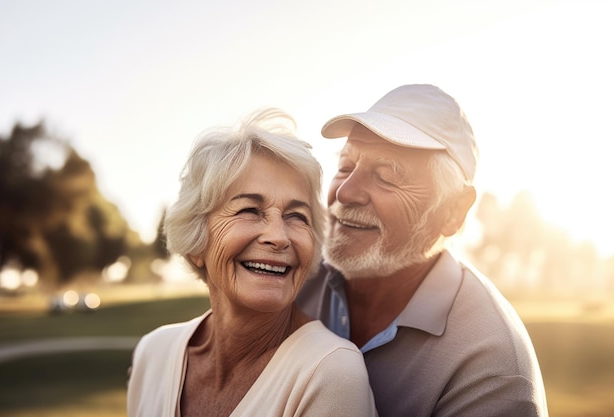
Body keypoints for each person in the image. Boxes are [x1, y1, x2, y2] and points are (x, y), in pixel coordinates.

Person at [296, 84, 549, 416]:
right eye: (345, 166)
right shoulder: (295, 277)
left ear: (452, 211)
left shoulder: (491, 365)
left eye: (385, 175)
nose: (346, 192)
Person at [127, 108, 377, 417]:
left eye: (296, 216)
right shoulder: (153, 354)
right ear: (196, 240)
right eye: (249, 210)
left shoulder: (331, 373)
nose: (279, 237)